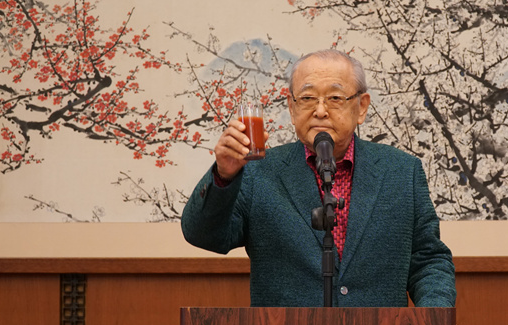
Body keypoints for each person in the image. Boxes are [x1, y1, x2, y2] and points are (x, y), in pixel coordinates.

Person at [181, 49, 456, 309]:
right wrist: (224, 175)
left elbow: (428, 259)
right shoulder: (258, 172)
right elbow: (203, 235)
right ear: (291, 107)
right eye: (308, 98)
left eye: (335, 98)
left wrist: (436, 318)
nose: (320, 111)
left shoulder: (401, 171)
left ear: (361, 107)